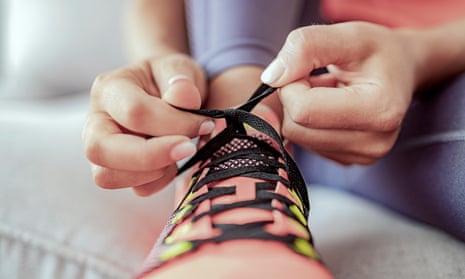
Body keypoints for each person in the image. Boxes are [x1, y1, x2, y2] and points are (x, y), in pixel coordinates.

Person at [83, 0, 465, 260]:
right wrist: (161, 66)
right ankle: (236, 147)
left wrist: (419, 52)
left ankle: (244, 153)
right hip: (272, 29)